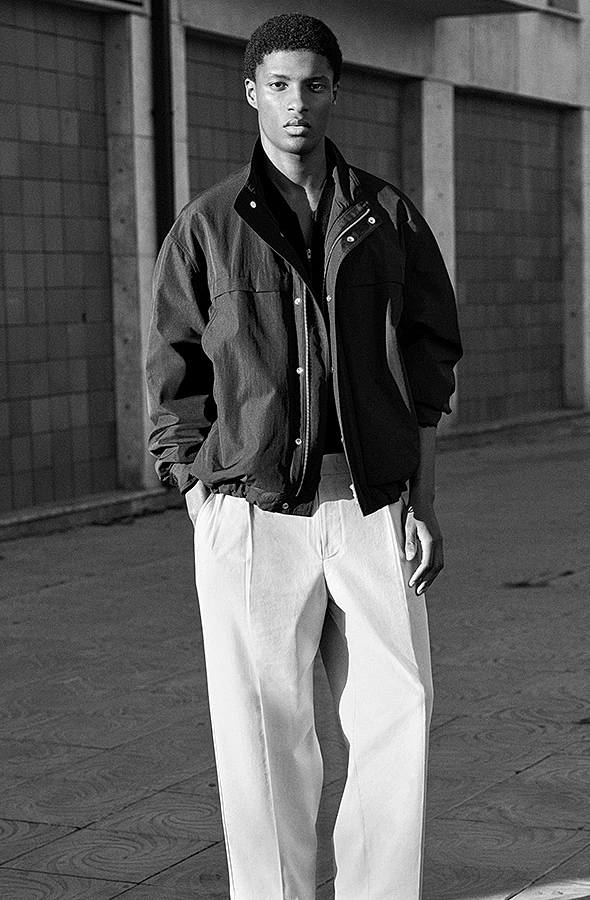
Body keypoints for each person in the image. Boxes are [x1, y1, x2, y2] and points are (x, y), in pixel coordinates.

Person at [146, 12, 462, 900]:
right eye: (279, 85)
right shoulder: (207, 225)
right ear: (252, 92)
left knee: (398, 714)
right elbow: (172, 369)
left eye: (313, 85)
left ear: (334, 93)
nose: (297, 103)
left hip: (371, 505)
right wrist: (197, 496)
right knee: (261, 734)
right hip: (251, 513)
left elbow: (430, 361)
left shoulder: (388, 216)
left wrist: (422, 500)